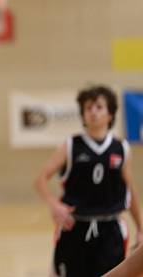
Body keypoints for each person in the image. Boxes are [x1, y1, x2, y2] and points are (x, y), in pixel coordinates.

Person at [35, 86, 142, 277]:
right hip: (75, 228)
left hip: (110, 230)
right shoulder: (71, 146)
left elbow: (129, 190)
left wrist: (140, 228)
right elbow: (41, 179)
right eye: (88, 108)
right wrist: (54, 205)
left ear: (110, 114)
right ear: (83, 115)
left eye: (99, 107)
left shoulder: (121, 148)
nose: (93, 112)